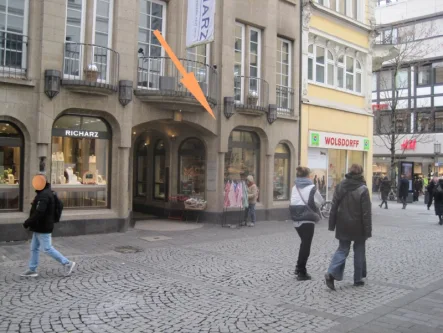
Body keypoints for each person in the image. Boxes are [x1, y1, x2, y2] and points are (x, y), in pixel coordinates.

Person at [324, 164, 371, 290]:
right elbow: (366, 212)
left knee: (343, 249)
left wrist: (331, 224)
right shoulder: (363, 189)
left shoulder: (340, 186)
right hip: (358, 225)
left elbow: (334, 206)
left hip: (342, 223)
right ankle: (358, 278)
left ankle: (331, 272)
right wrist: (368, 230)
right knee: (359, 250)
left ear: (349, 172)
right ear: (361, 173)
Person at [21, 174, 76, 277]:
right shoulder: (44, 193)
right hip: (39, 226)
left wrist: (27, 222)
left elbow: (39, 212)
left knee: (47, 248)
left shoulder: (44, 195)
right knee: (34, 247)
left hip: (43, 227)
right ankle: (32, 269)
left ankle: (67, 263)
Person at [289, 166, 324, 281]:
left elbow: (293, 201)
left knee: (303, 243)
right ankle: (301, 271)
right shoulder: (312, 187)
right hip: (307, 219)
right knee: (306, 244)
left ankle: (298, 267)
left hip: (295, 218)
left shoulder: (295, 187)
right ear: (308, 176)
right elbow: (320, 202)